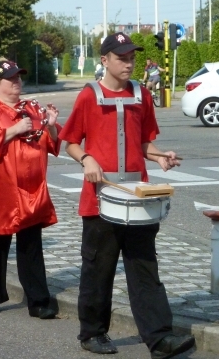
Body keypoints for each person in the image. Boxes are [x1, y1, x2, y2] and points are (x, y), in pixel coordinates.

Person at [59, 32, 195, 358]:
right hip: (100, 200)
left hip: (139, 197)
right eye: (121, 57)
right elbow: (71, 142)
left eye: (132, 57)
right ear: (104, 60)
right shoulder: (89, 96)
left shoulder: (143, 95)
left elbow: (144, 142)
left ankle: (159, 339)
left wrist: (160, 156)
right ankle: (92, 333)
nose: (129, 63)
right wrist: (86, 158)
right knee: (98, 270)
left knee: (145, 268)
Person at [0, 60, 61, 319]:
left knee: (31, 245)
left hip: (31, 189)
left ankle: (38, 300)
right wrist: (13, 130)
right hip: (2, 190)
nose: (16, 83)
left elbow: (50, 142)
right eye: (11, 79)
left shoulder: (32, 108)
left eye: (18, 78)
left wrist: (52, 124)